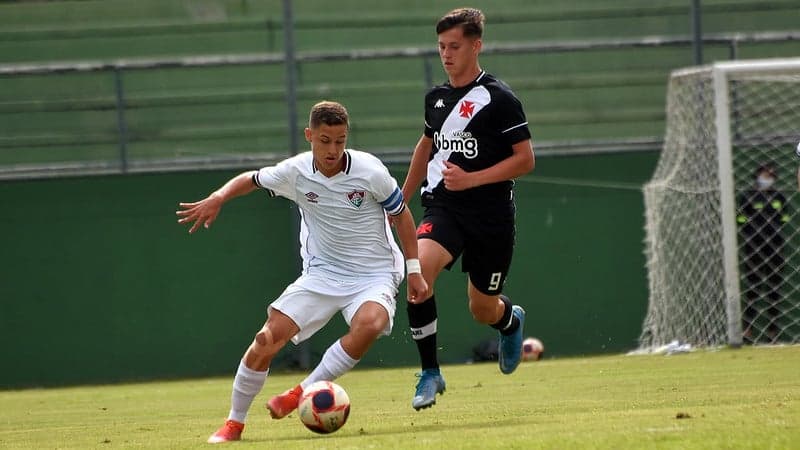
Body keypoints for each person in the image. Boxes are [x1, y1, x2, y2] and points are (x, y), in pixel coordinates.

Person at [176, 101, 427, 443]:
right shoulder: (294, 172)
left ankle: (300, 393)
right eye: (324, 140)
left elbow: (402, 215)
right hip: (322, 273)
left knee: (371, 324)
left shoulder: (370, 171)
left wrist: (414, 269)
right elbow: (250, 179)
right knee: (266, 339)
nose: (333, 149)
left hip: (374, 273)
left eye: (340, 140)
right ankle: (233, 424)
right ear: (310, 135)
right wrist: (218, 197)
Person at [399, 8, 535, 410]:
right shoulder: (436, 98)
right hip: (444, 208)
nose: (446, 54)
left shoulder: (500, 98)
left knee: (481, 308)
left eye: (454, 46)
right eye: (441, 46)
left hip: (492, 217)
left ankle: (509, 322)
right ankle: (430, 373)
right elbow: (427, 144)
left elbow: (525, 159)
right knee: (418, 273)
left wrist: (473, 179)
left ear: (476, 45)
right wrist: (402, 196)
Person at [736, 163, 788, 343]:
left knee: (774, 291)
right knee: (753, 291)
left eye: (772, 175)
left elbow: (783, 219)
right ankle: (747, 332)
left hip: (775, 248)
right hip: (753, 248)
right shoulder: (748, 197)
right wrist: (753, 232)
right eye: (766, 173)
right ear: (758, 175)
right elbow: (741, 219)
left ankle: (773, 334)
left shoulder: (779, 197)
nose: (769, 177)